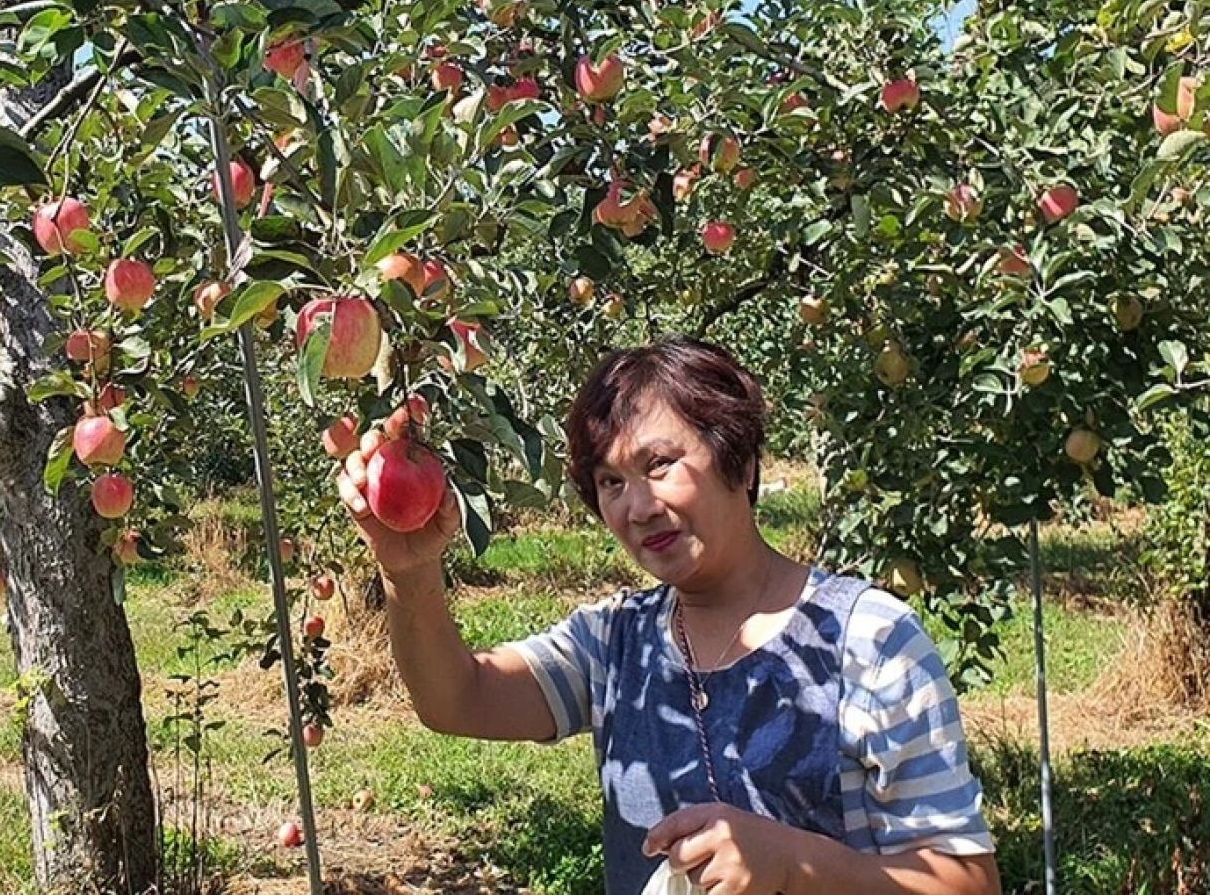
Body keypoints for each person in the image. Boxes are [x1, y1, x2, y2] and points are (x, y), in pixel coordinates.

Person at [336, 335, 1001, 895]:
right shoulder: (613, 643)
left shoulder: (868, 640)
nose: (638, 506)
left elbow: (969, 881)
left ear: (738, 460)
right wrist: (410, 570)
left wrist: (792, 864)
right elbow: (460, 698)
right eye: (610, 482)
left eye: (659, 464)